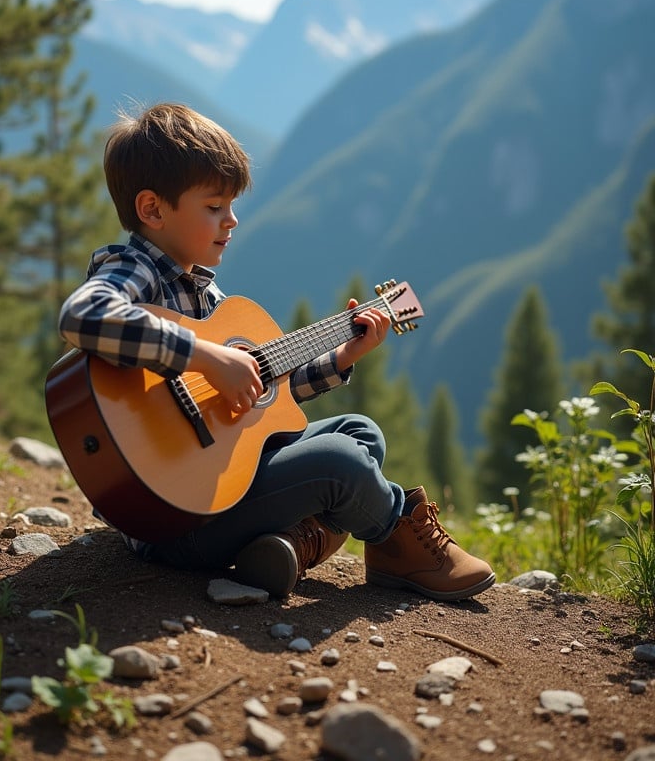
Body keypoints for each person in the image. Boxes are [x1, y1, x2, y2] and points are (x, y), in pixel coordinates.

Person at [58, 102, 495, 601]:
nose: (232, 220)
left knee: (358, 432)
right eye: (214, 207)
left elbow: (266, 402)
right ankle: (399, 539)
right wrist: (206, 357)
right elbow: (83, 316)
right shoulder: (135, 270)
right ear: (153, 210)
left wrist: (343, 357)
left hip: (217, 490)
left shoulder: (209, 299)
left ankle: (289, 545)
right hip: (174, 522)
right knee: (339, 462)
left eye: (231, 205)